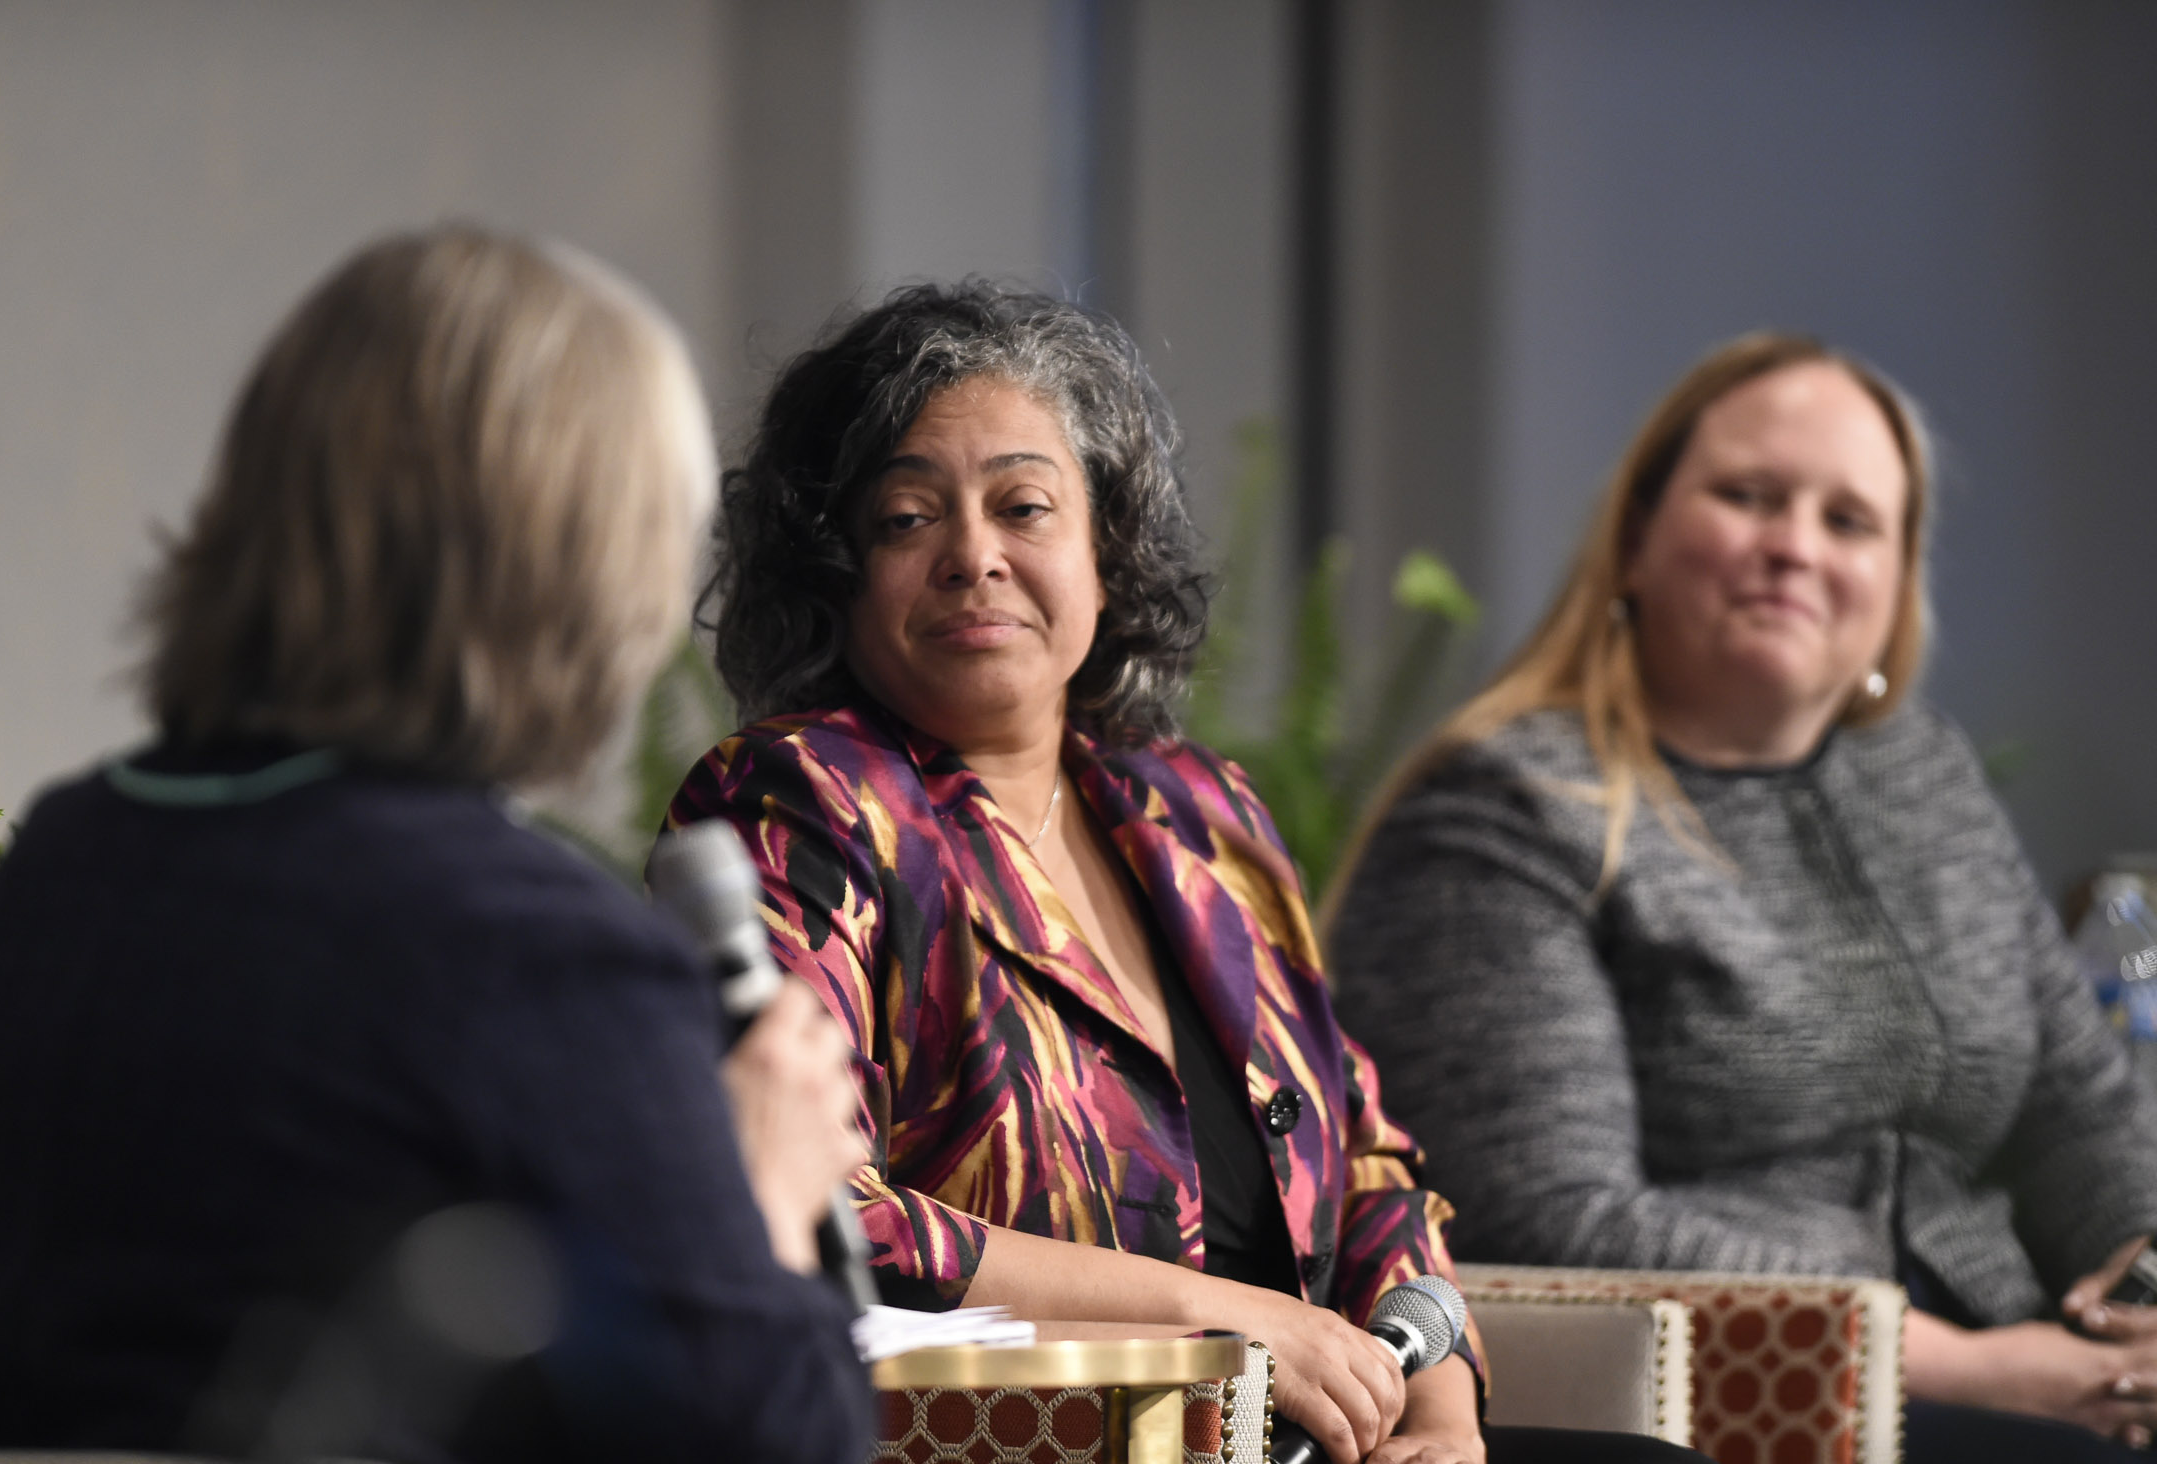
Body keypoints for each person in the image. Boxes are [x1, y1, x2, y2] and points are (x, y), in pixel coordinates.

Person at [668, 280, 1706, 1464]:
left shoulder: (1202, 812)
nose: (972, 557)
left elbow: (1370, 1167)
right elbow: (820, 1213)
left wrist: (1441, 1412)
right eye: (906, 520)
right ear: (836, 576)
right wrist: (1227, 1322)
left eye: (1023, 506)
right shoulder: (801, 800)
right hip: (1064, 1439)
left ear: (1106, 555)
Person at [0, 226, 870, 1463]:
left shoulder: (66, 864)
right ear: (593, 577)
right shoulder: (540, 957)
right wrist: (761, 1194)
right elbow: (783, 1442)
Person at [1327, 331, 2157, 1461]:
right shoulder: (1500, 815)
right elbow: (1551, 1223)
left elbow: (2077, 1104)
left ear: (1897, 583)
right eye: (1747, 497)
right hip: (1754, 1400)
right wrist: (1965, 1365)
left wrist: (2138, 1275)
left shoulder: (1921, 774)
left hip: (2021, 1350)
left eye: (1848, 520)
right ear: (1632, 540)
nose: (1794, 548)